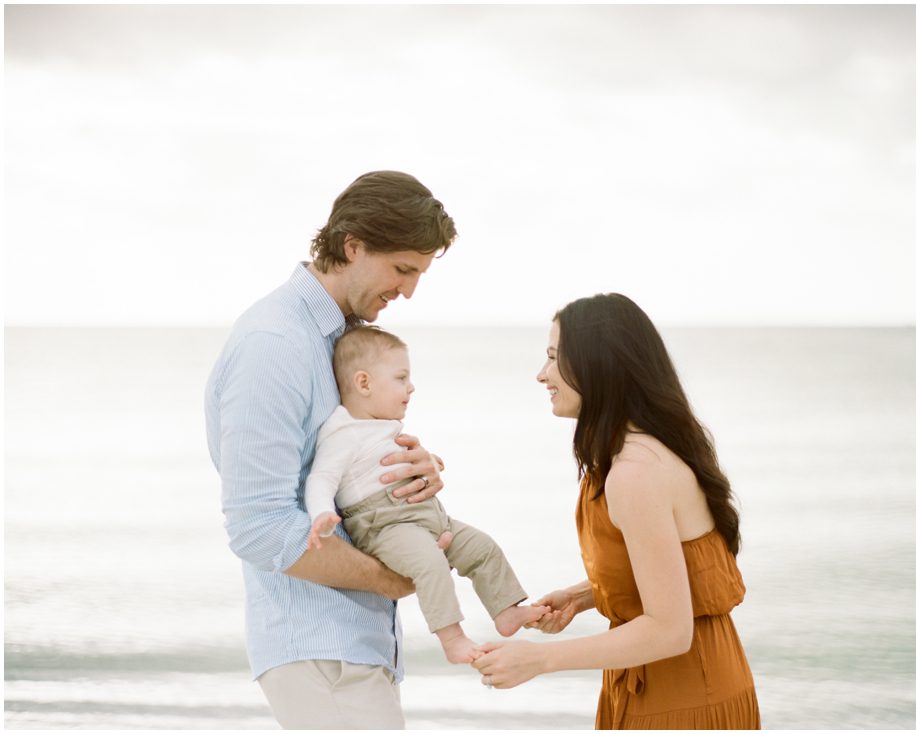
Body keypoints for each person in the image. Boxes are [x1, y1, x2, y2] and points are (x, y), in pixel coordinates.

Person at [204, 171, 457, 730]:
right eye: (403, 270)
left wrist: (407, 473)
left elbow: (337, 471)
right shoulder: (275, 344)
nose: (409, 291)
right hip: (320, 651)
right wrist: (391, 578)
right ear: (353, 246)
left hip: (352, 646)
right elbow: (258, 527)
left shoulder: (336, 341)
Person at [472, 293, 761, 730]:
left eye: (553, 358)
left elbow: (669, 629)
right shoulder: (641, 452)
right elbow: (673, 567)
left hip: (683, 697)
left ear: (597, 365)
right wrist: (583, 596)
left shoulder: (635, 471)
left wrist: (540, 659)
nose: (541, 374)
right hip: (676, 681)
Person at [305, 325, 547, 664]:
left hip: (426, 515)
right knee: (431, 563)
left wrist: (429, 461)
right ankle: (453, 640)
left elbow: (384, 463)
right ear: (364, 383)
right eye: (401, 378)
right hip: (384, 524)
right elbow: (321, 478)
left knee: (482, 547)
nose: (411, 386)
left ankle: (507, 610)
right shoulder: (342, 432)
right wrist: (321, 516)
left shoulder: (379, 424)